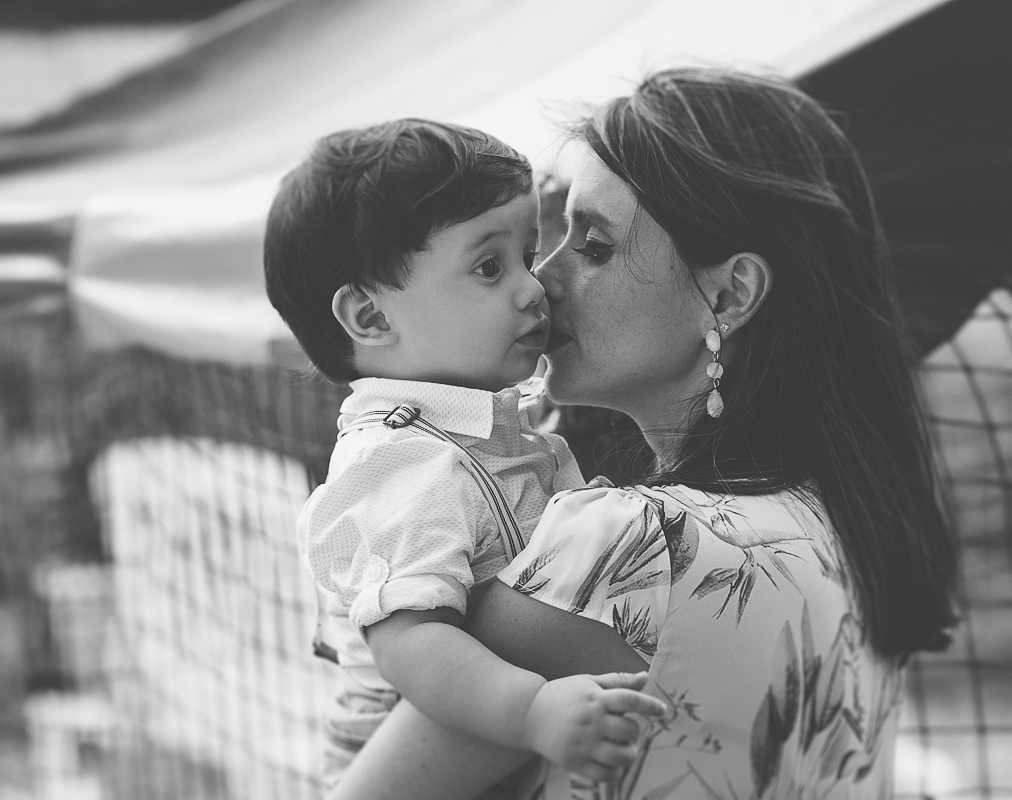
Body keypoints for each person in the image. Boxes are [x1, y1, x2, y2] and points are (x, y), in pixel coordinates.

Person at [330, 68, 959, 800]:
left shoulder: (630, 546)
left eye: (593, 245)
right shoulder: (849, 533)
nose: (541, 280)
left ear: (728, 295)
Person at [262, 119, 669, 789]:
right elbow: (411, 644)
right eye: (489, 266)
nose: (533, 286)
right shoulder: (400, 460)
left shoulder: (485, 431)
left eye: (526, 253)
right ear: (369, 318)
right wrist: (533, 710)